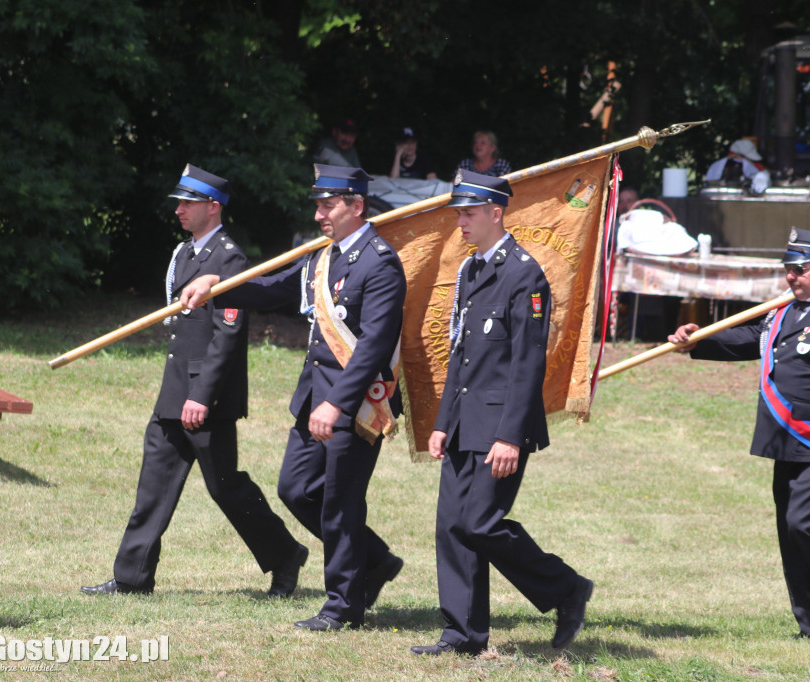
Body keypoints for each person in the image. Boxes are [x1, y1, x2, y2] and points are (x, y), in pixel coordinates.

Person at [181, 164, 407, 632]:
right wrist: (214, 287)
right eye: (319, 206)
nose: (321, 214)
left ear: (356, 206)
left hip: (354, 403)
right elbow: (270, 288)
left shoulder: (380, 262)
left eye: (329, 205)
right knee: (296, 488)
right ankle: (376, 560)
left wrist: (338, 403)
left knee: (340, 502)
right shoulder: (323, 258)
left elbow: (375, 346)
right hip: (313, 398)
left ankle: (342, 606)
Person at [81, 164, 308, 598]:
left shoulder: (228, 258)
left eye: (187, 202)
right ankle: (131, 577)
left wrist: (201, 395)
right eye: (179, 203)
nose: (179, 210)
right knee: (153, 486)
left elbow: (227, 333)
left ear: (213, 206)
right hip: (174, 391)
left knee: (226, 488)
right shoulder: (186, 253)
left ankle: (284, 555)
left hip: (207, 398)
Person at [668, 227, 810, 646]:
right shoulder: (788, 309)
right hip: (787, 439)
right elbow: (753, 339)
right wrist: (696, 341)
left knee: (806, 523)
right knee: (790, 534)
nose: (790, 276)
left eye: (799, 269)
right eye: (787, 268)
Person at [410, 170, 593, 657]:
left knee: (481, 522)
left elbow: (528, 363)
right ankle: (463, 634)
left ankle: (566, 588)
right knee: (453, 525)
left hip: (501, 426)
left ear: (496, 212)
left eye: (468, 213)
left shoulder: (524, 274)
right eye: (458, 213)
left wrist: (510, 436)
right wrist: (443, 423)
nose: (461, 221)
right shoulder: (471, 271)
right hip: (466, 422)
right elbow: (462, 355)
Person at [704, 138, 770, 194]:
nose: (750, 161)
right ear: (736, 155)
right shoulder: (717, 167)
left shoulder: (757, 169)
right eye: (748, 158)